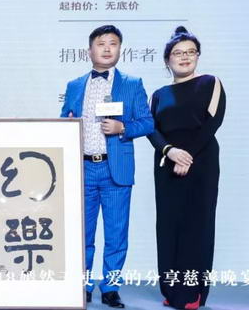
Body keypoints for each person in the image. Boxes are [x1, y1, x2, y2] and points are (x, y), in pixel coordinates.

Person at [60, 25, 154, 308]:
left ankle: (111, 287)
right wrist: (67, 123)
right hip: (83, 169)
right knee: (83, 234)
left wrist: (122, 128)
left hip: (116, 170)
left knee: (116, 234)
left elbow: (147, 122)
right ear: (89, 50)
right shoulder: (75, 85)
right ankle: (84, 285)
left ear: (120, 49)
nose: (107, 48)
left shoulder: (132, 84)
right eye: (101, 43)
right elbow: (64, 119)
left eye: (113, 43)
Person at [148, 27, 226, 310]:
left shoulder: (210, 83)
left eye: (191, 52)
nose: (184, 57)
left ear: (198, 56)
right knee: (169, 226)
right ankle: (171, 289)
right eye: (178, 53)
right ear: (167, 60)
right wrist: (170, 152)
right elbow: (151, 129)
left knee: (197, 225)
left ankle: (193, 292)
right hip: (166, 162)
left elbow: (213, 121)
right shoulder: (159, 94)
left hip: (201, 161)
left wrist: (187, 156)